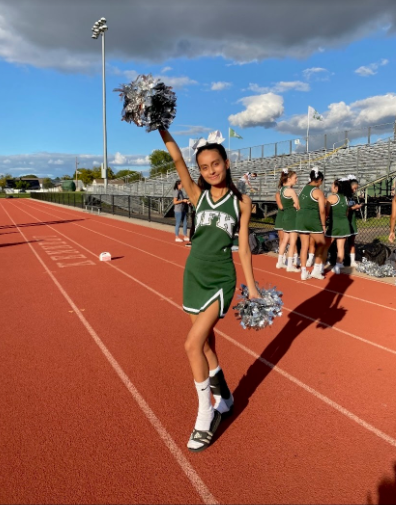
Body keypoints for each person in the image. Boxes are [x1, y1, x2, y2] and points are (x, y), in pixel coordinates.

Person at [159, 129, 260, 452]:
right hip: (193, 276)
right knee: (204, 345)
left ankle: (206, 412)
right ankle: (227, 398)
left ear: (226, 163)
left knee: (191, 344)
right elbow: (176, 159)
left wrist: (253, 287)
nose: (211, 170)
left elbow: (243, 249)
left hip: (220, 280)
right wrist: (161, 124)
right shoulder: (196, 195)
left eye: (216, 164)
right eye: (204, 167)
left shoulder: (242, 202)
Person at [295, 167, 327, 281]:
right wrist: (323, 225)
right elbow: (322, 210)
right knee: (322, 244)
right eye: (322, 181)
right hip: (312, 220)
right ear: (319, 180)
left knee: (304, 246)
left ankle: (304, 272)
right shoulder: (318, 191)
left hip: (301, 220)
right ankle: (316, 270)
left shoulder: (304, 189)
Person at [325, 179, 353, 274]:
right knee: (340, 247)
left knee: (325, 246)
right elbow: (346, 213)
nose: (331, 187)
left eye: (332, 185)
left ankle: (319, 266)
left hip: (335, 225)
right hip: (344, 224)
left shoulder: (332, 197)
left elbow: (326, 212)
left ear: (336, 188)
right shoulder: (345, 198)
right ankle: (338, 265)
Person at [276, 169, 300, 272]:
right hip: (292, 217)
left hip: (285, 217)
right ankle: (290, 265)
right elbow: (298, 206)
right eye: (295, 178)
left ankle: (280, 261)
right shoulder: (291, 191)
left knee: (285, 240)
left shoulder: (281, 190)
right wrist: (296, 206)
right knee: (293, 241)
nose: (297, 180)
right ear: (289, 179)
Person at [347, 175, 363, 267]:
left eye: (356, 188)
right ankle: (337, 259)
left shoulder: (352, 196)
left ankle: (352, 260)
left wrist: (355, 208)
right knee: (340, 241)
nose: (355, 190)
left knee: (352, 240)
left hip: (352, 220)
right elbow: (343, 209)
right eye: (354, 188)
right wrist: (354, 207)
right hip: (345, 221)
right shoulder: (345, 196)